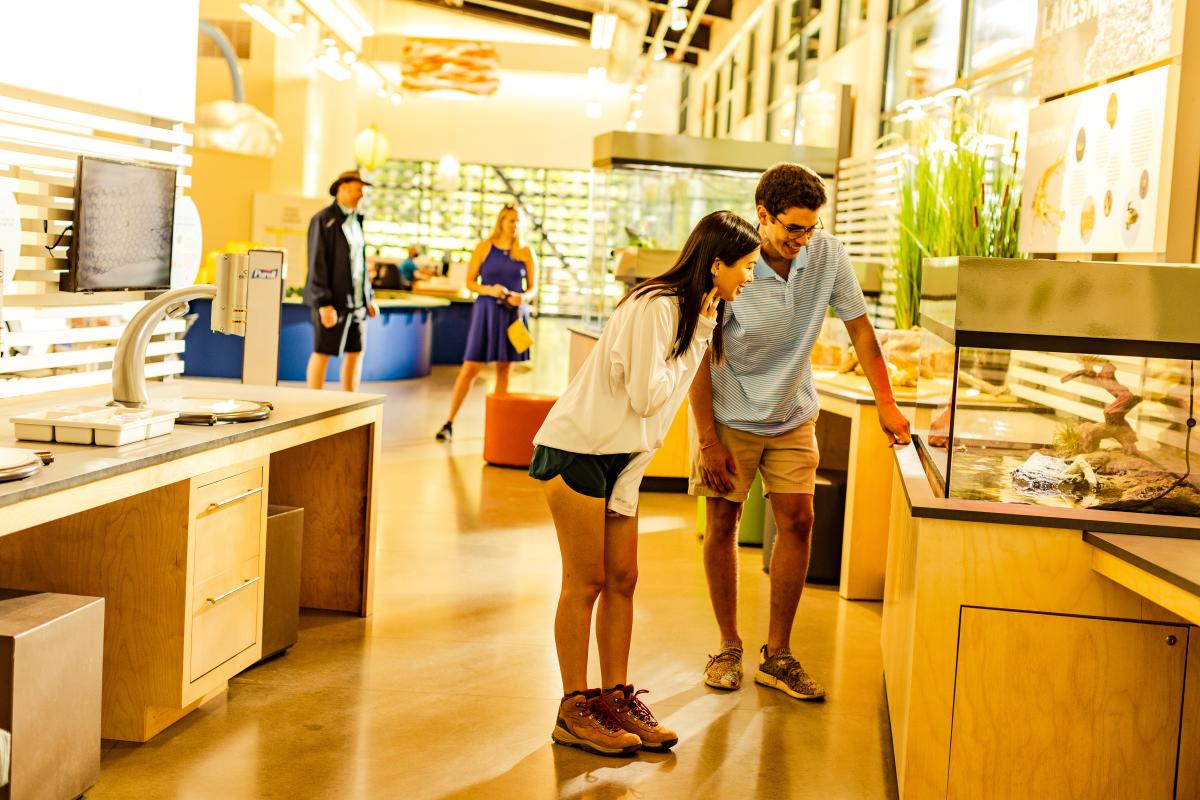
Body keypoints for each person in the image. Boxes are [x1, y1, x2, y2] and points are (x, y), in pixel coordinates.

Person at [531, 211, 759, 757]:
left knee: (624, 578)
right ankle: (573, 709)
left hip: (622, 459)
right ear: (718, 263)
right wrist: (703, 331)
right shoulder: (657, 306)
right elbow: (648, 397)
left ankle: (614, 699)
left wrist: (705, 325)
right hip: (577, 451)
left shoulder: (695, 310)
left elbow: (652, 416)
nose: (750, 278)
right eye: (747, 267)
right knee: (585, 582)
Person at [691, 163, 911, 701]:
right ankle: (727, 646)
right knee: (723, 522)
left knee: (799, 520)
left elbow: (862, 330)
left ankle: (779, 654)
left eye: (810, 228)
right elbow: (697, 349)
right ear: (762, 215)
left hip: (792, 412)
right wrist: (707, 438)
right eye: (792, 228)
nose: (802, 239)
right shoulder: (731, 260)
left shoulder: (827, 254)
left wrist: (887, 403)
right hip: (730, 414)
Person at [434, 204, 537, 442]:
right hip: (486, 311)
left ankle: (498, 426)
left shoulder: (526, 252)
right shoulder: (484, 247)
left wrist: (523, 297)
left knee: (505, 368)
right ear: (501, 222)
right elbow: (470, 282)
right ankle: (449, 422)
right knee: (470, 367)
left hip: (513, 314)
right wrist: (489, 290)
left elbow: (533, 288)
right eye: (511, 220)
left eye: (518, 221)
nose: (515, 225)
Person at [303, 170, 379, 392]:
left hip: (356, 303)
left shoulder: (357, 221)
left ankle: (350, 401)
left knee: (356, 351)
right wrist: (323, 302)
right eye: (358, 190)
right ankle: (314, 403)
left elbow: (360, 265)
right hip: (332, 303)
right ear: (342, 189)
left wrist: (369, 296)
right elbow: (316, 263)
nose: (361, 196)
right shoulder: (323, 220)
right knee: (323, 351)